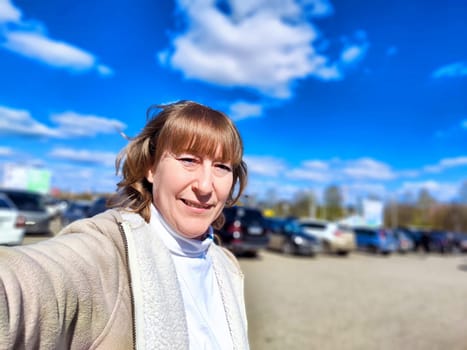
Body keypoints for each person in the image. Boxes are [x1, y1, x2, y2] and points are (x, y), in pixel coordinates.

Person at [0, 100, 250, 350]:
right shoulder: (110, 249)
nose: (206, 186)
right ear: (151, 168)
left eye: (221, 166)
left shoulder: (225, 266)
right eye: (188, 160)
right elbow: (28, 285)